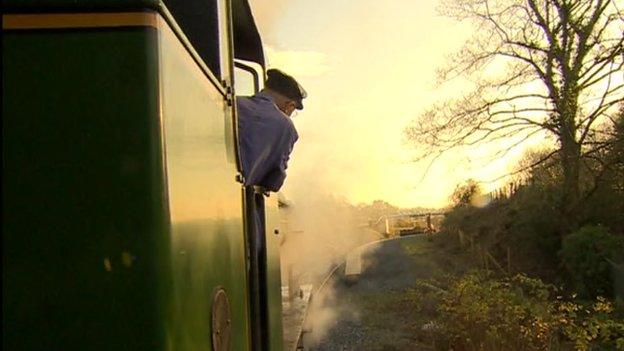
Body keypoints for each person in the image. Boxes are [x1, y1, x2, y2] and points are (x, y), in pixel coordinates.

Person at [237, 68, 307, 192]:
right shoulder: (285, 126)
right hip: (234, 197)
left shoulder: (234, 103)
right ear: (289, 105)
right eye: (293, 110)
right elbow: (274, 181)